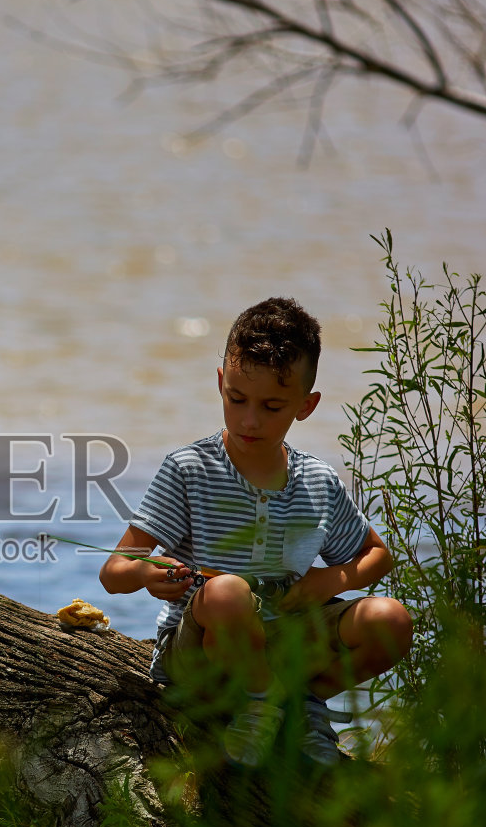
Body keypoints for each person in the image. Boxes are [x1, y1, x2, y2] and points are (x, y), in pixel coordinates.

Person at [98, 297, 412, 766]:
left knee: (391, 621)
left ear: (306, 406)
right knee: (226, 593)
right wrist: (149, 574)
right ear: (221, 382)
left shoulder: (316, 481)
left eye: (271, 406)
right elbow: (114, 570)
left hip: (284, 638)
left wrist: (333, 580)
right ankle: (262, 703)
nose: (249, 420)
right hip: (201, 656)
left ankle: (302, 703)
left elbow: (377, 556)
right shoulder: (190, 469)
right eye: (237, 399)